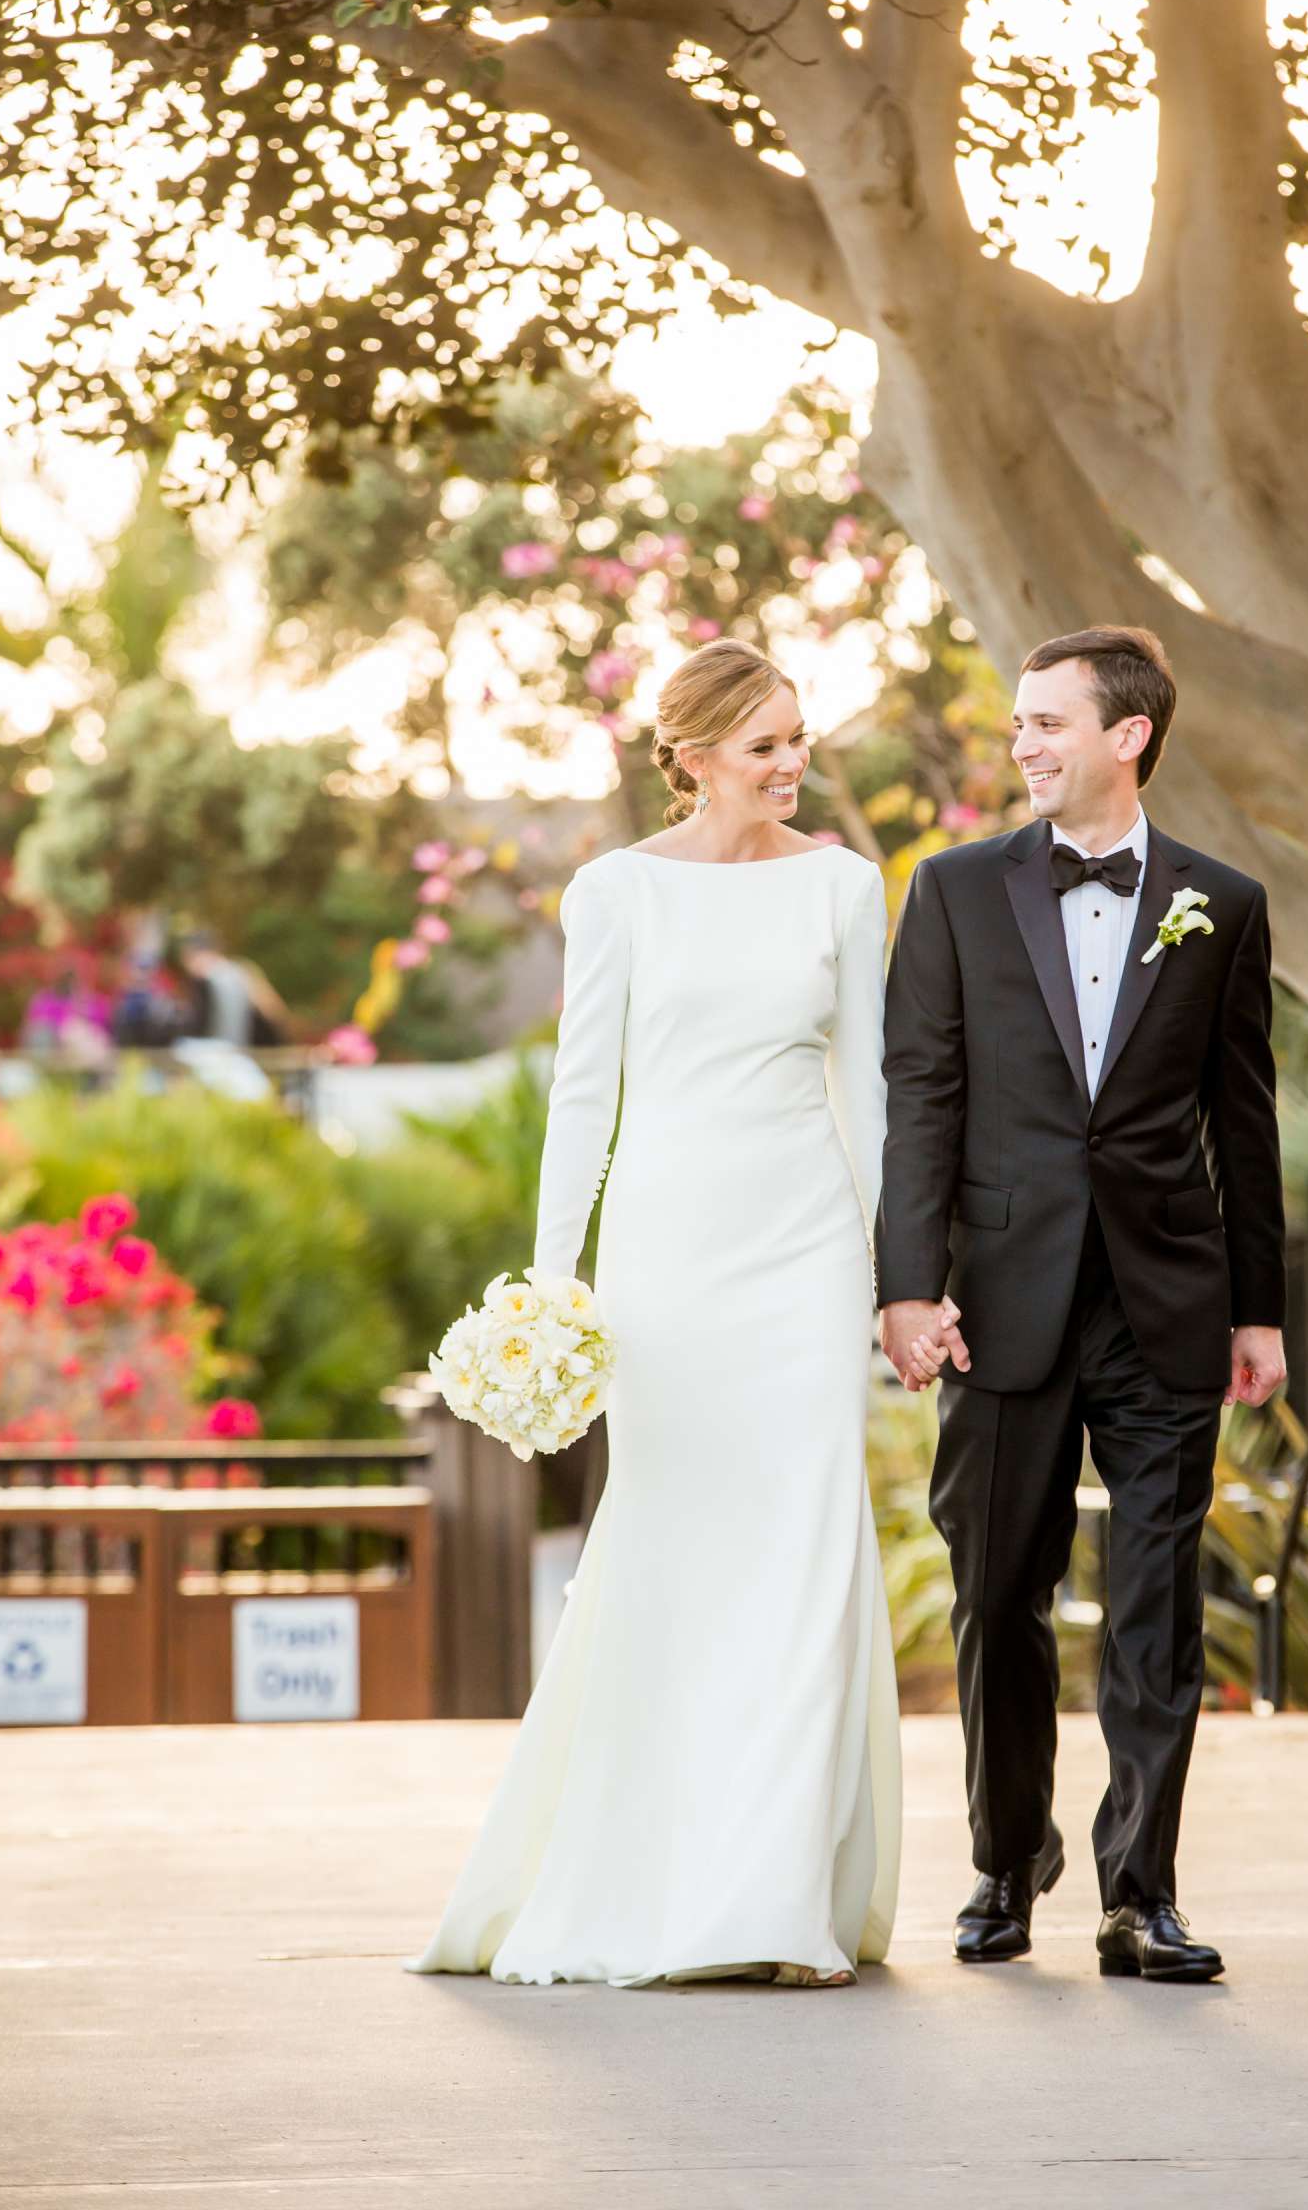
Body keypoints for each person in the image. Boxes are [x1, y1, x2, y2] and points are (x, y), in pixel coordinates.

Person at [405, 639, 901, 1989]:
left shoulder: (849, 888)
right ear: (690, 759)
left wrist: (890, 1275)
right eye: (764, 747)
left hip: (804, 1252)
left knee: (805, 1545)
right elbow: (585, 1093)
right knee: (678, 1545)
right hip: (669, 1257)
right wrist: (554, 1288)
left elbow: (869, 1093)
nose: (792, 765)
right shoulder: (615, 889)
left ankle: (782, 1896)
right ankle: (655, 1872)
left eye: (799, 738)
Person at [876, 624, 1286, 1983]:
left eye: (1050, 722)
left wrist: (1259, 1311)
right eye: (1017, 725)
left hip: (1169, 1303)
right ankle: (1007, 1859)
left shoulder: (1221, 903)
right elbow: (923, 1101)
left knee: (1157, 1603)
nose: (1024, 745)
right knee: (998, 1595)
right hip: (1001, 1304)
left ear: (1130, 736)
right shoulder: (951, 893)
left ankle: (1140, 1895)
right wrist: (906, 1288)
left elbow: (1246, 1121)